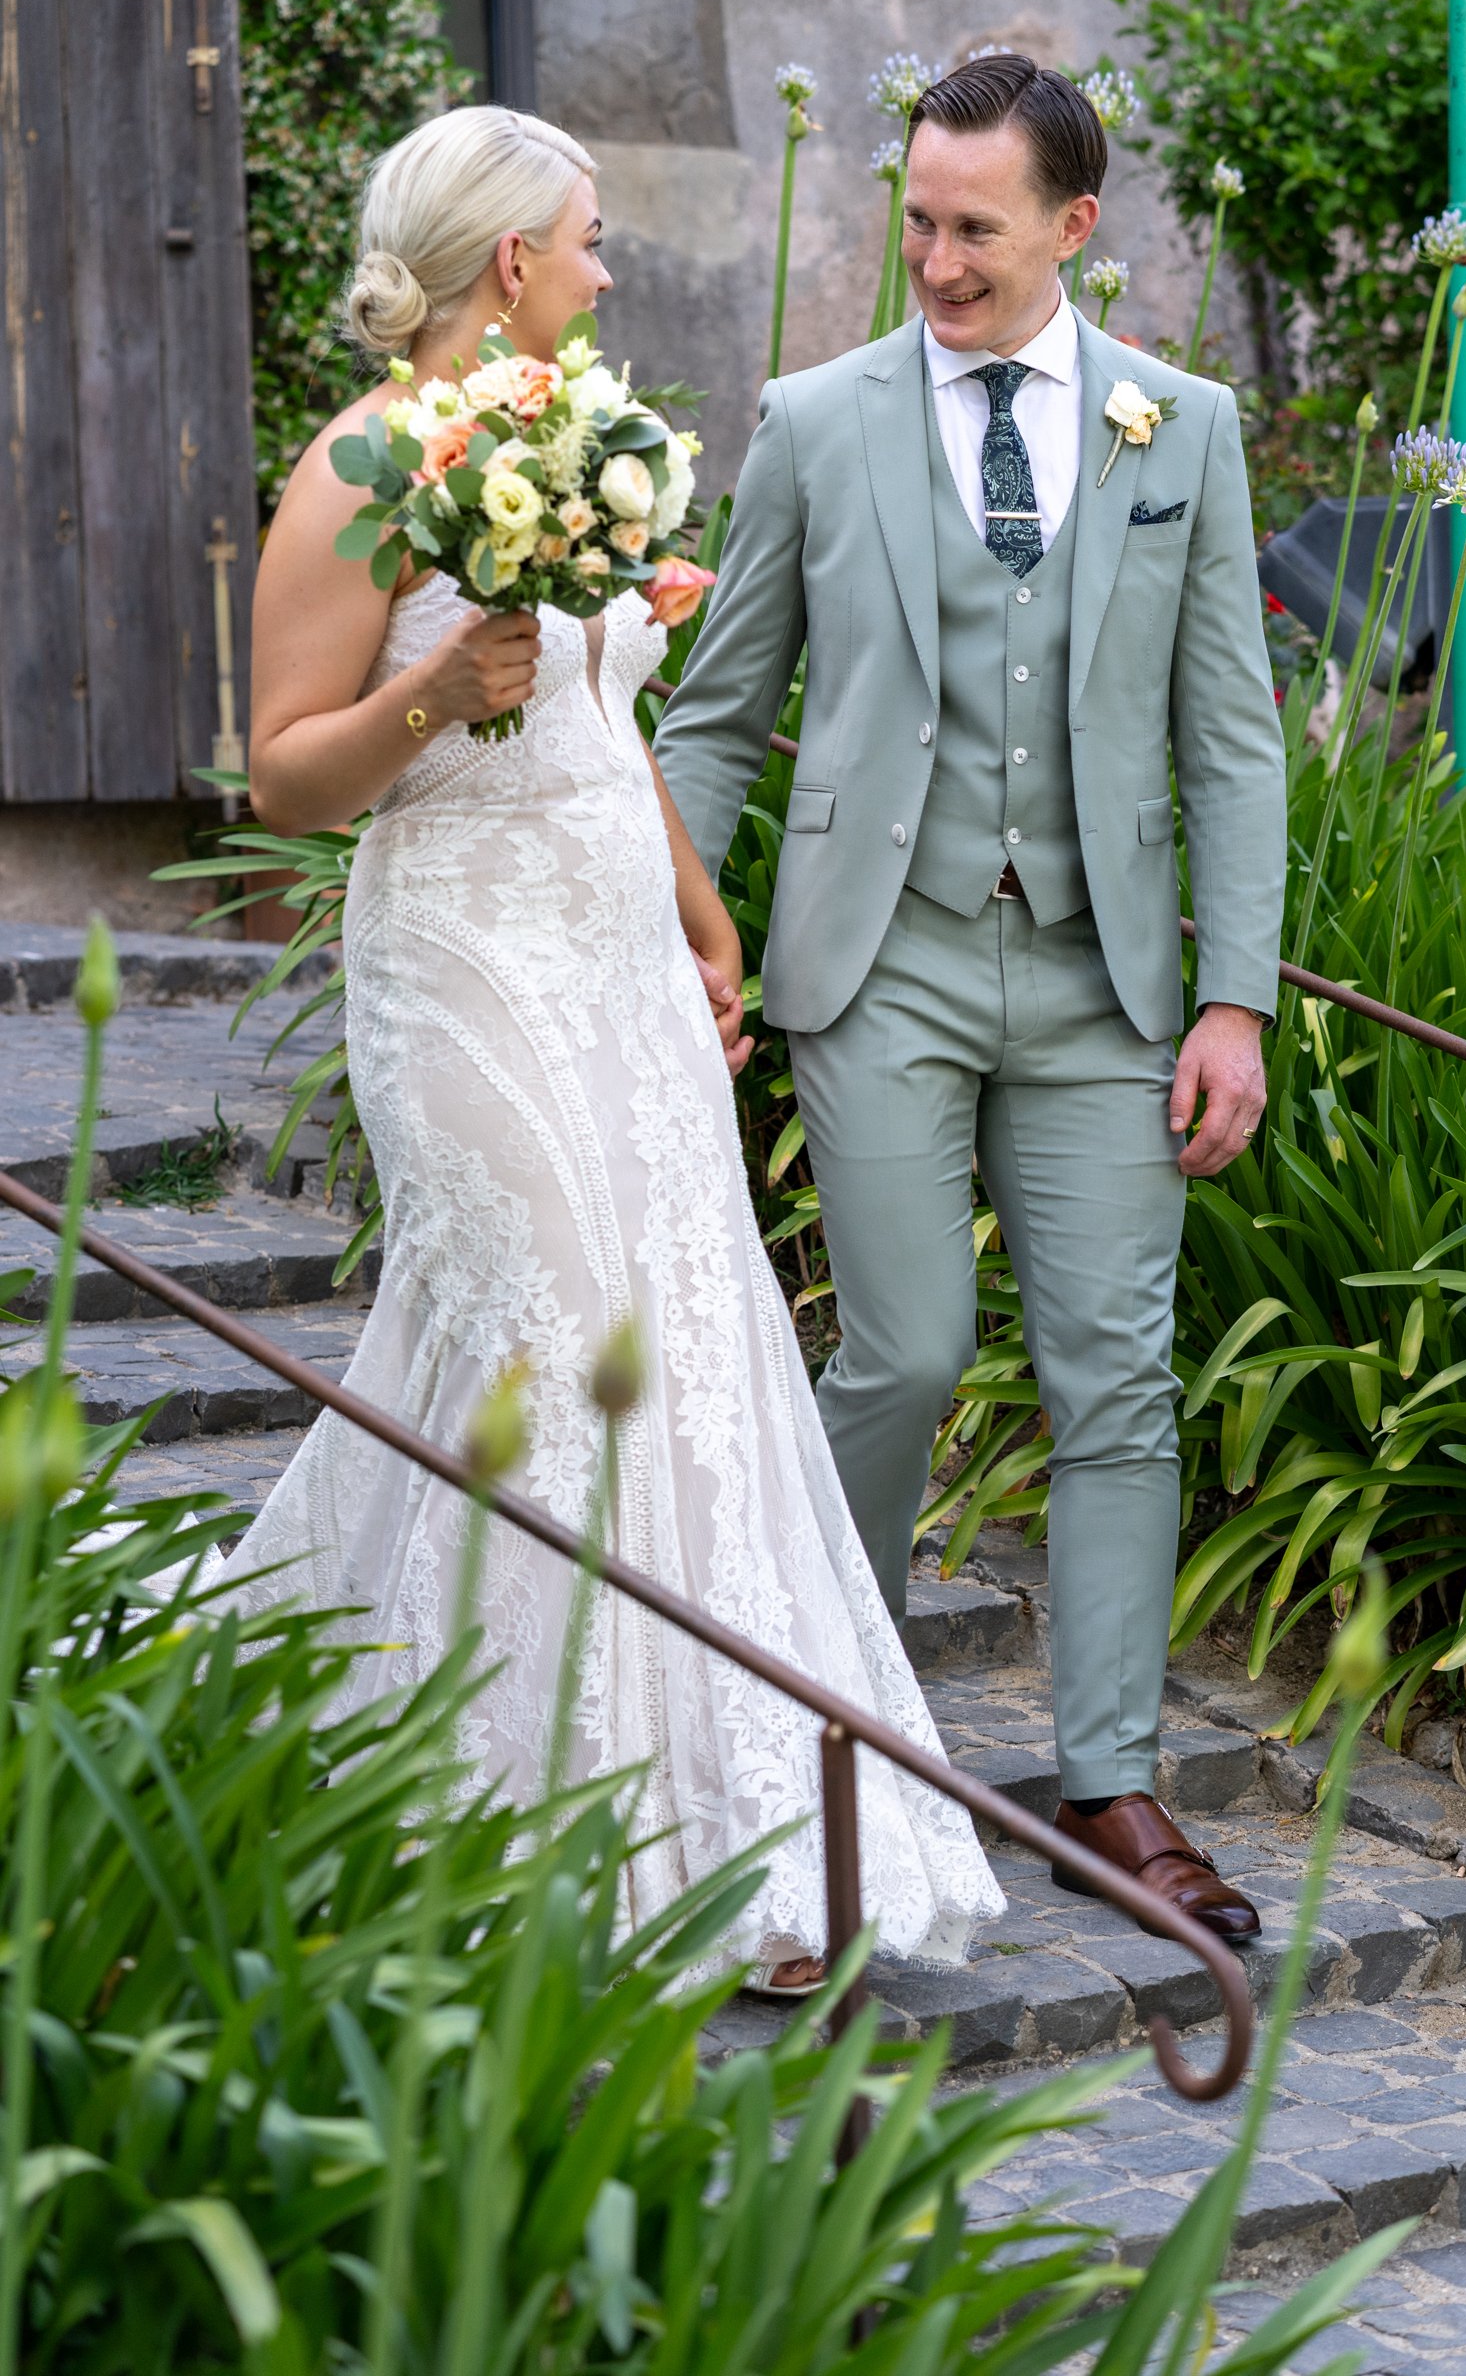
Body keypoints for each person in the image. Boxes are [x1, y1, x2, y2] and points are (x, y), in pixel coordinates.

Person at [231, 103, 1004, 1988]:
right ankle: (532, 1836)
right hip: (464, 957)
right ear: (509, 262)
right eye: (585, 242)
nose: (602, 271)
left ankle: (717, 1822)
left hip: (618, 958)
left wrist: (697, 905)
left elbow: (593, 707)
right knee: (563, 1347)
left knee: (681, 1342)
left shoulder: (578, 443)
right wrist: (430, 692)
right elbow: (285, 771)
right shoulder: (359, 465)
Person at [654, 55, 1287, 1940]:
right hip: (883, 961)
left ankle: (1111, 1783)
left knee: (1117, 1383)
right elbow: (715, 713)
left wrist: (1233, 999)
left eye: (973, 228)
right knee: (906, 1352)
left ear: (1074, 227)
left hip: (1109, 979)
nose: (933, 260)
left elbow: (1235, 739)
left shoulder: (1186, 428)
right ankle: (822, 1748)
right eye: (916, 219)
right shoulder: (814, 419)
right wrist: (670, 932)